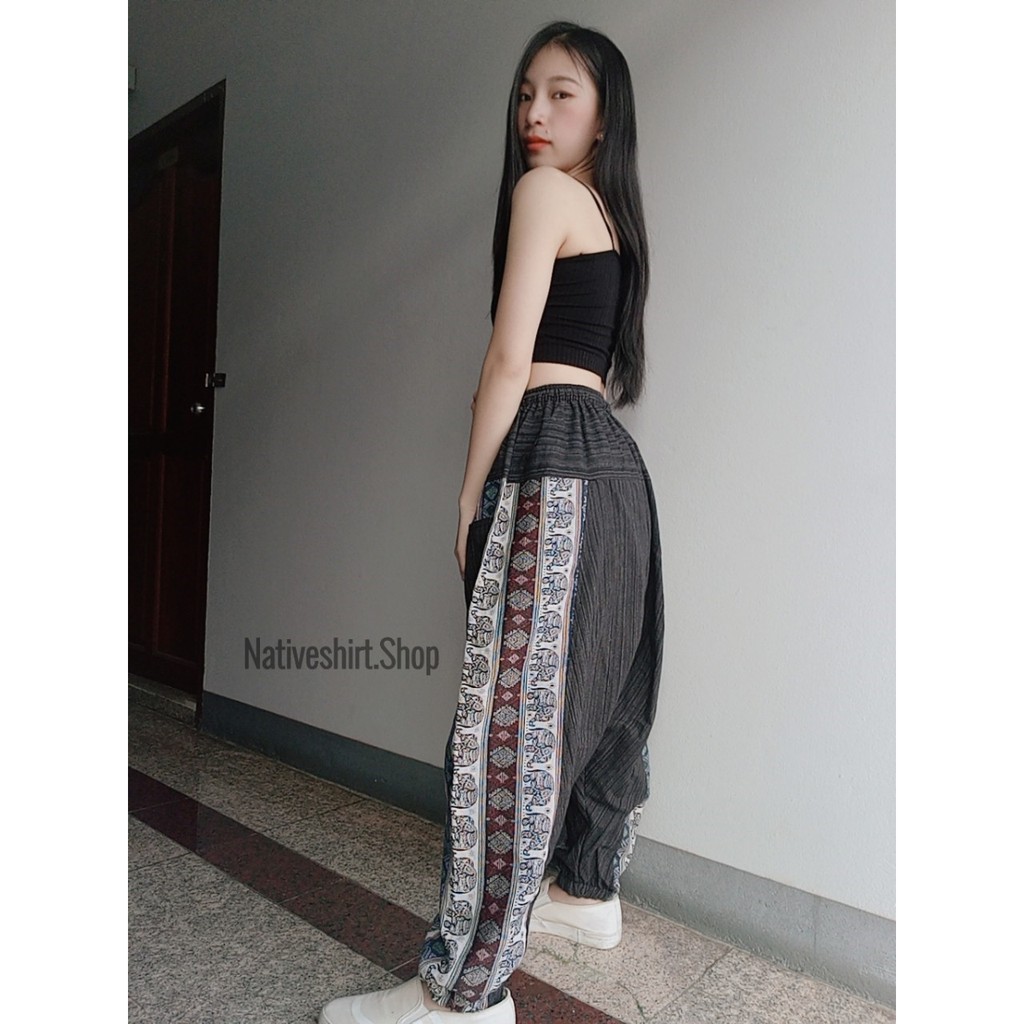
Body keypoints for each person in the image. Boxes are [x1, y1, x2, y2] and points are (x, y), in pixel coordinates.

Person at [320, 20, 664, 1024]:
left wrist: (471, 493)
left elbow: (509, 359)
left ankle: (461, 996)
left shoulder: (545, 191)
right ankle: (585, 894)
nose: (533, 114)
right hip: (616, 469)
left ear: (603, 114)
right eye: (524, 94)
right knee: (605, 696)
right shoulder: (612, 212)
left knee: (503, 725)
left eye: (560, 93)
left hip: (551, 456)